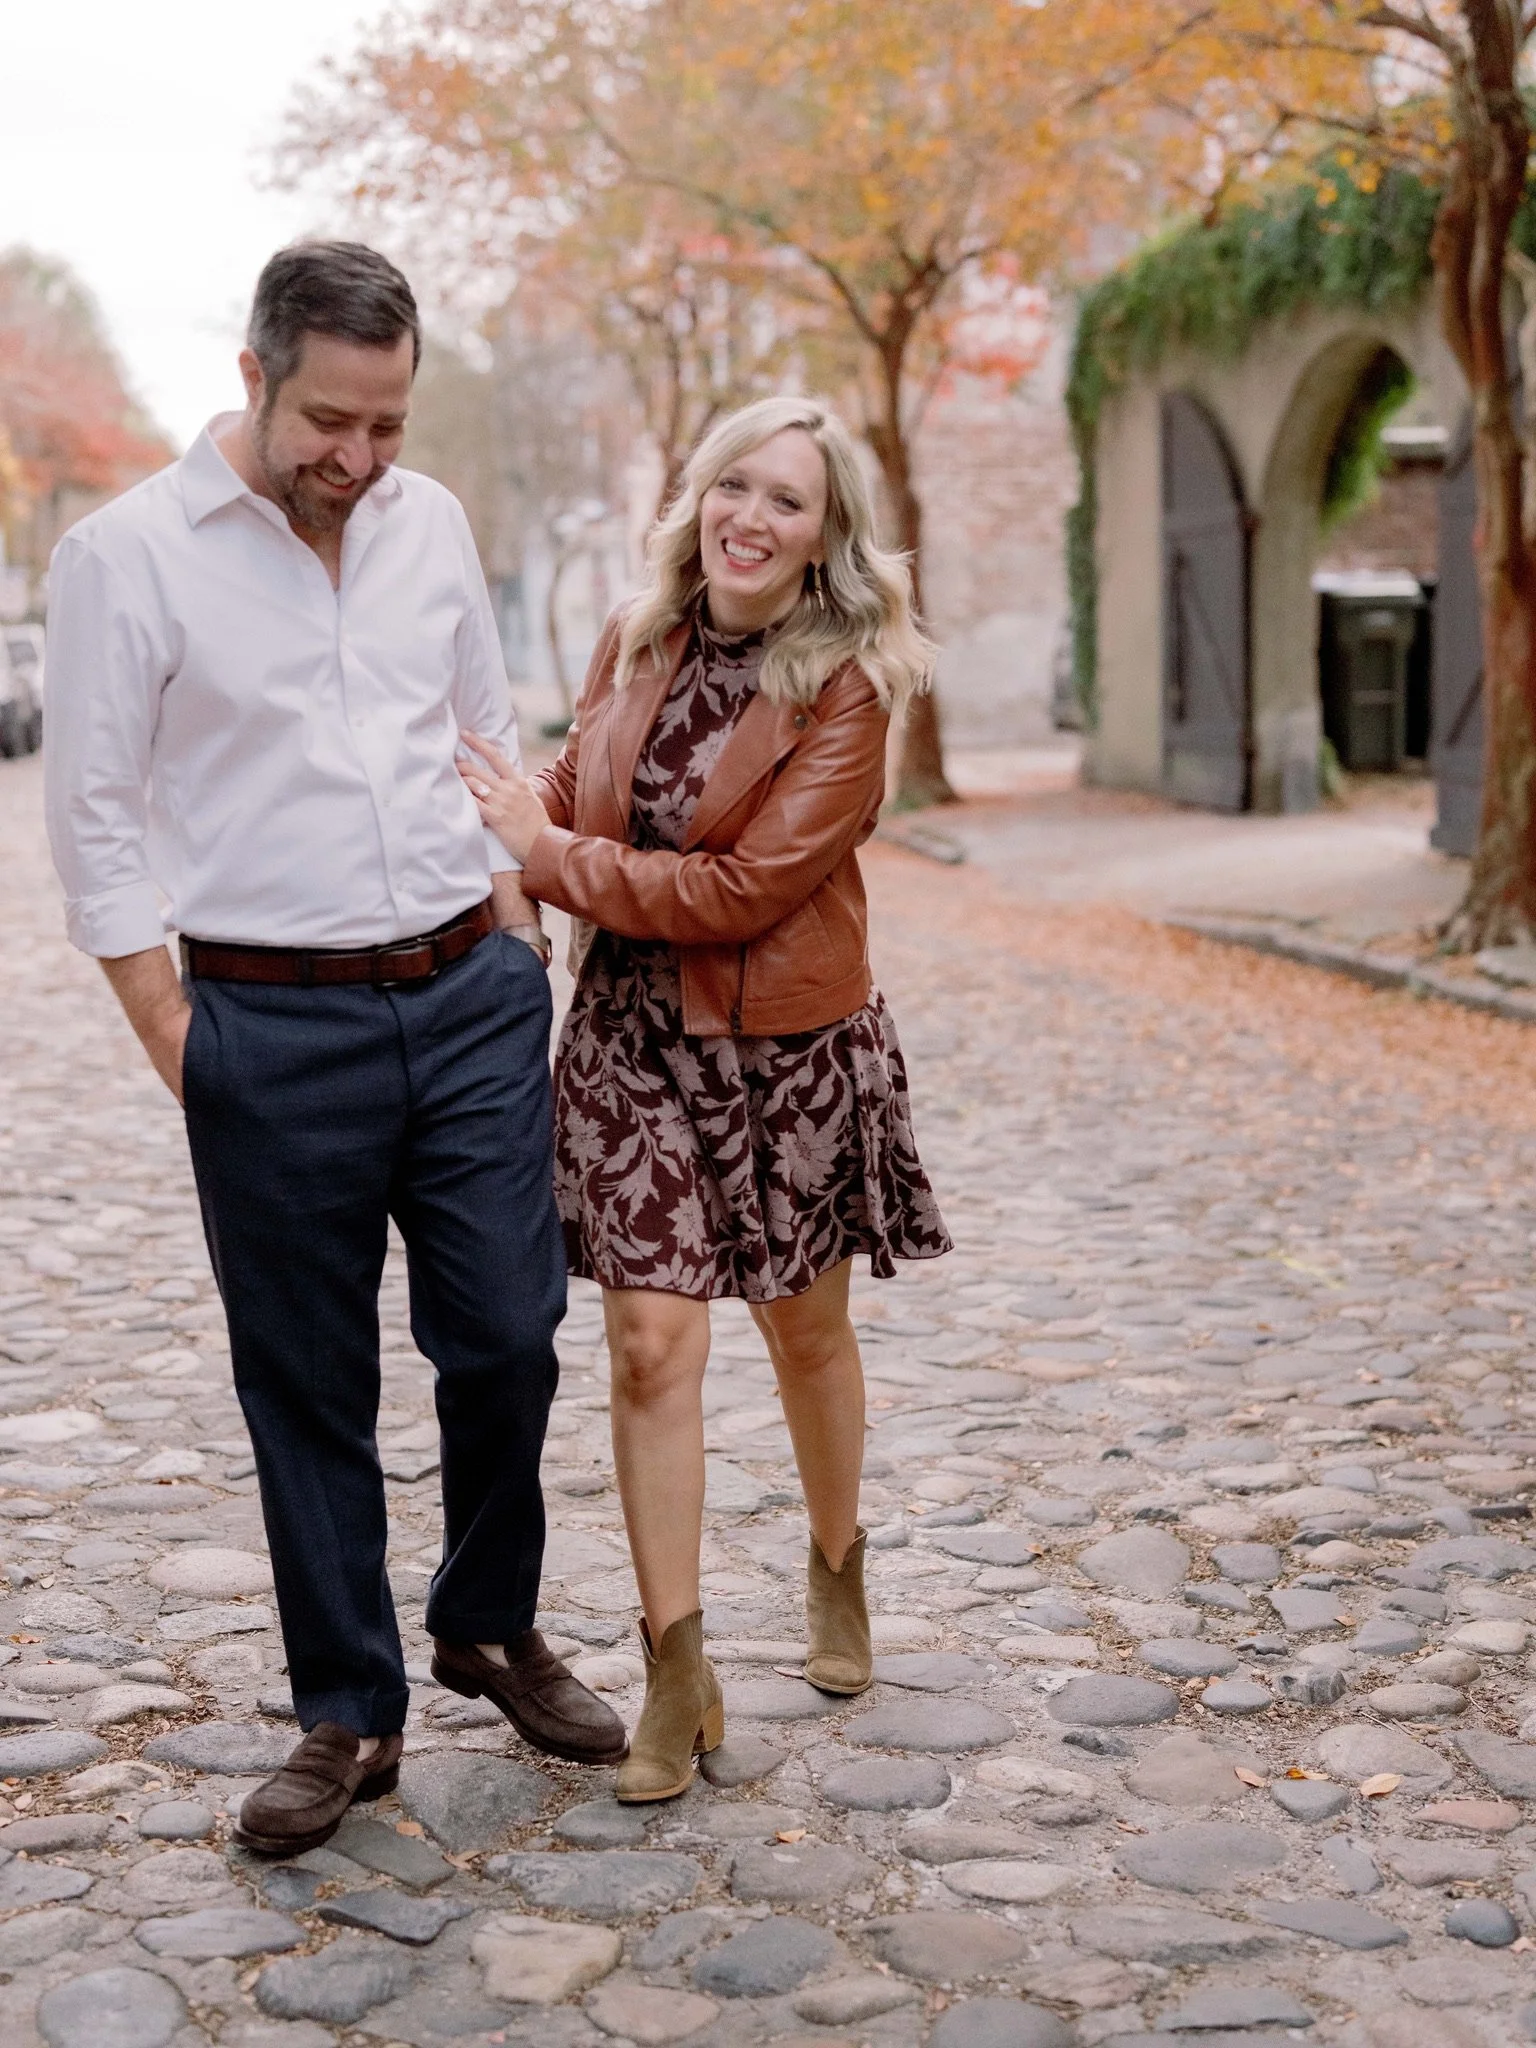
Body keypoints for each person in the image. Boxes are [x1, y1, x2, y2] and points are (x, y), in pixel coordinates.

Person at [44, 240, 625, 1856]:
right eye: (329, 421)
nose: (360, 459)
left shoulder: (428, 522)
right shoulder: (124, 558)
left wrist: (515, 928)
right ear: (254, 376)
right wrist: (174, 1031)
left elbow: (483, 733)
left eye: (388, 424)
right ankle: (349, 1708)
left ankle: (486, 1622)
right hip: (266, 1021)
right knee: (306, 1380)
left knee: (509, 1334)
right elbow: (92, 816)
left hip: (468, 993)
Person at [460, 394, 952, 1801]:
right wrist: (511, 826)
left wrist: (545, 857)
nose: (752, 517)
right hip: (629, 1036)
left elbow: (741, 892)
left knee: (806, 1334)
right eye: (736, 485)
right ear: (700, 496)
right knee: (648, 1348)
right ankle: (676, 1666)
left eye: (788, 500)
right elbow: (575, 785)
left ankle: (838, 1562)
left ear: (825, 536)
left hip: (783, 1049)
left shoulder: (848, 686)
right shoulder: (637, 633)